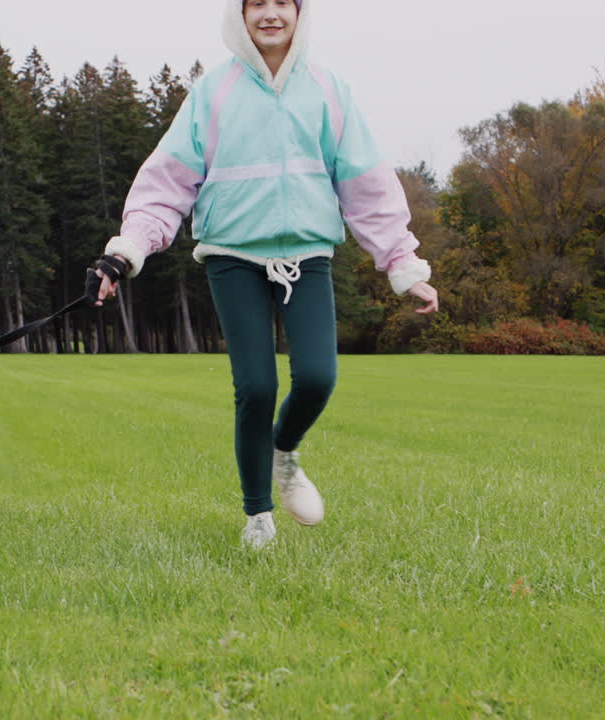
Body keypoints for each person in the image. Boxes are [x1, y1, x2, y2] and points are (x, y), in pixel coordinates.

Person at [93, 0, 440, 549]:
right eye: (258, 2)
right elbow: (167, 181)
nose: (270, 13)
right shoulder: (213, 92)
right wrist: (127, 249)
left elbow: (365, 182)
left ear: (300, 12)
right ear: (241, 13)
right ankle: (258, 517)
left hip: (307, 255)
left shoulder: (328, 88)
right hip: (233, 255)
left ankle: (284, 453)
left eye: (283, 2)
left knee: (319, 378)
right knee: (255, 386)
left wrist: (401, 261)